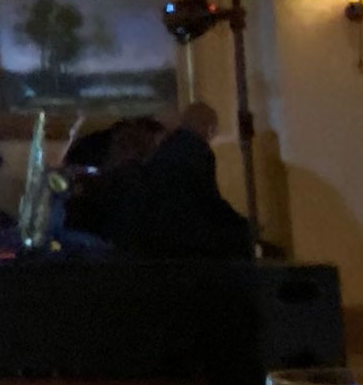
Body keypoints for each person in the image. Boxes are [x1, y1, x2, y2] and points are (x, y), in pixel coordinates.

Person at [73, 99, 257, 262]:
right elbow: (208, 200)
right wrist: (244, 227)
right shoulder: (195, 151)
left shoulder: (153, 160)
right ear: (209, 128)